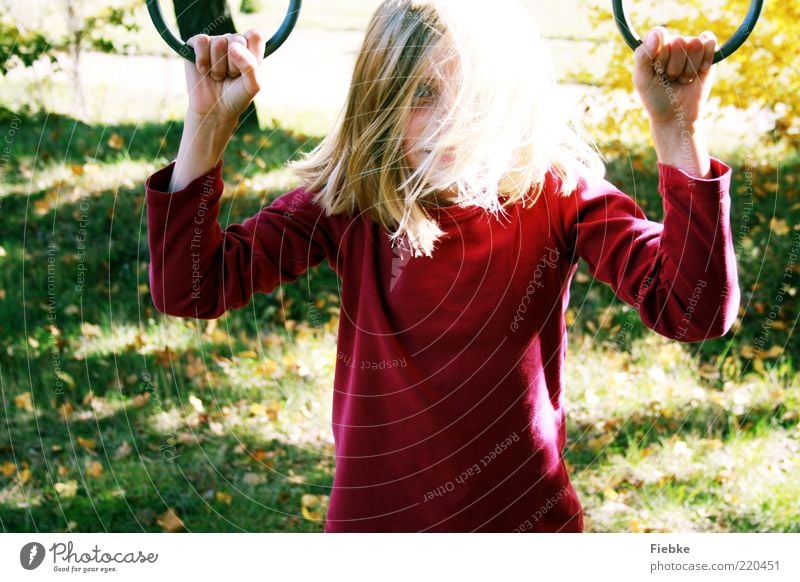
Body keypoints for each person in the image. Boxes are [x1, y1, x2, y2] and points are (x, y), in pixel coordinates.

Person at [145, 0, 740, 532]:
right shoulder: (350, 201)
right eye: (424, 94)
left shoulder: (558, 195)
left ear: (515, 96)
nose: (451, 126)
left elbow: (693, 311)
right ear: (381, 96)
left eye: (475, 96)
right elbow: (192, 289)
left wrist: (677, 130)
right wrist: (207, 126)